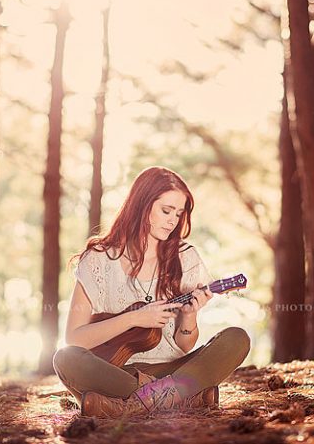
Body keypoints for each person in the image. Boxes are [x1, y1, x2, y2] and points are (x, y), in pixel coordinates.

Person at [52, 166, 251, 417]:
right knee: (65, 358)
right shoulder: (99, 260)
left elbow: (183, 346)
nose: (173, 221)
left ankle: (126, 405)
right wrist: (135, 318)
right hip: (116, 374)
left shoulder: (186, 258)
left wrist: (189, 317)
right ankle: (183, 398)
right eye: (166, 211)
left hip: (173, 370)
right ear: (142, 205)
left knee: (236, 338)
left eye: (178, 214)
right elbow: (75, 338)